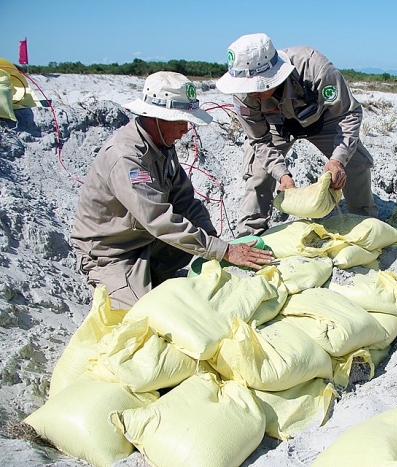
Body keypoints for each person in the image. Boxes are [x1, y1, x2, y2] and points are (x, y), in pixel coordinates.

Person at [71, 71, 273, 309]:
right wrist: (223, 251)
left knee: (194, 246)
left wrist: (214, 240)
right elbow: (159, 220)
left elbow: (184, 198)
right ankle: (125, 285)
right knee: (141, 318)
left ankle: (153, 279)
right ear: (156, 118)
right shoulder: (126, 157)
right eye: (180, 121)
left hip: (146, 240)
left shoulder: (162, 143)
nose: (186, 130)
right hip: (112, 252)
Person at [216, 33, 378, 237]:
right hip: (277, 127)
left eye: (256, 86)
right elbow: (259, 140)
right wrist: (282, 175)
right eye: (246, 87)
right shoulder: (243, 94)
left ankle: (364, 220)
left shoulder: (314, 67)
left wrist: (338, 160)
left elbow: (349, 113)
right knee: (258, 173)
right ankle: (250, 234)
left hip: (322, 119)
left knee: (355, 162)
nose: (250, 93)